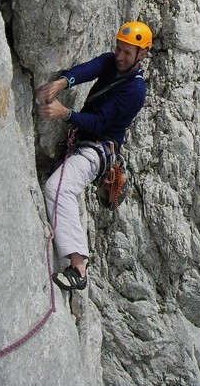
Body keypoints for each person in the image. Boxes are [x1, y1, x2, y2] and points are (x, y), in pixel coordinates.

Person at [36, 21, 152, 291]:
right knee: (59, 186)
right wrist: (63, 82)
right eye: (119, 49)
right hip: (85, 143)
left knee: (58, 188)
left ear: (141, 55)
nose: (120, 57)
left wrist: (65, 113)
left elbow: (100, 122)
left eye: (127, 53)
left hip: (97, 150)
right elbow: (92, 68)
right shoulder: (113, 63)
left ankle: (78, 268)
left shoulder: (135, 91)